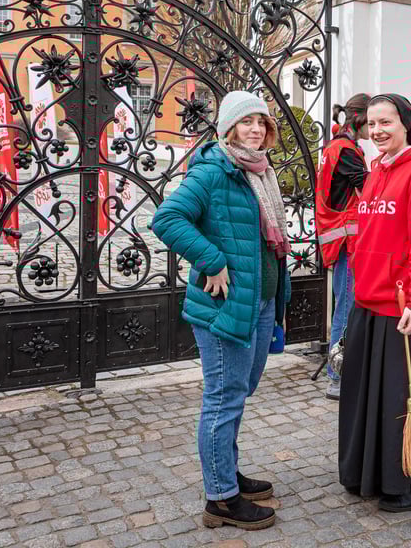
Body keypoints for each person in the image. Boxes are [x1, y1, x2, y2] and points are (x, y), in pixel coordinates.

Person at [152, 91, 291, 530]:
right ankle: (222, 499)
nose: (256, 129)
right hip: (225, 304)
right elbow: (167, 219)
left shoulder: (259, 171)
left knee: (238, 390)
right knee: (223, 397)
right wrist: (211, 260)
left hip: (258, 301)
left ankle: (225, 472)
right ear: (228, 127)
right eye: (246, 121)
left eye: (262, 122)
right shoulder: (214, 170)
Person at [338, 93, 411, 512]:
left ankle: (410, 480)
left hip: (400, 304)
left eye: (385, 122)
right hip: (367, 299)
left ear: (406, 124)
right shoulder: (375, 170)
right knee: (364, 395)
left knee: (397, 402)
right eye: (371, 123)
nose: (377, 131)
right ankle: (365, 472)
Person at [316, 93, 370, 401]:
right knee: (346, 309)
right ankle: (337, 377)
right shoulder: (346, 151)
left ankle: (341, 373)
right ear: (360, 119)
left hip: (341, 237)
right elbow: (369, 188)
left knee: (345, 306)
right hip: (347, 239)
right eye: (372, 122)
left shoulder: (337, 146)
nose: (374, 128)